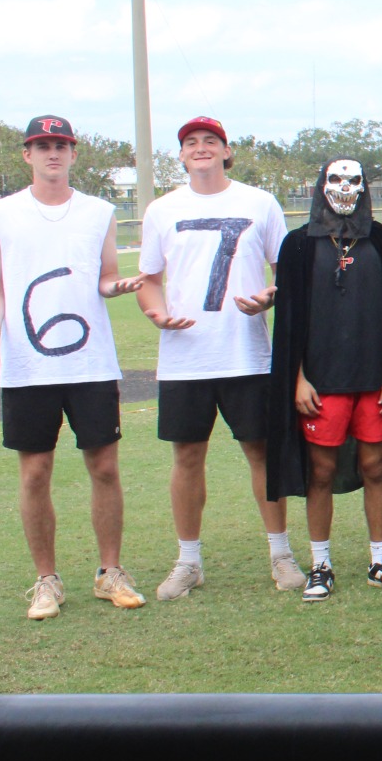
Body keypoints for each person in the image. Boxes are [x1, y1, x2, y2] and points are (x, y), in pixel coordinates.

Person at [0, 115, 145, 620]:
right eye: (42, 146)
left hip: (90, 363)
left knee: (104, 467)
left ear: (73, 153)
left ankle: (110, 572)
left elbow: (105, 277)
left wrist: (117, 287)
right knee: (35, 472)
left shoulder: (99, 212)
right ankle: (46, 580)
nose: (52, 153)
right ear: (28, 155)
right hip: (28, 367)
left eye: (61, 145)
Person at [135, 116, 293, 599]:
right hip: (186, 357)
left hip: (246, 354)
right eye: (190, 142)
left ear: (227, 151)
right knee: (186, 456)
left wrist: (268, 298)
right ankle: (188, 561)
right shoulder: (162, 209)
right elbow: (149, 280)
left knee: (261, 452)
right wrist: (155, 313)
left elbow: (285, 271)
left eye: (210, 141)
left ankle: (281, 553)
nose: (200, 147)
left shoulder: (259, 202)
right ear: (181, 155)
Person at [266, 157, 382, 600]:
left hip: (375, 379)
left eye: (354, 180)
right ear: (322, 186)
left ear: (365, 187)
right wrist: (298, 378)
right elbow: (289, 319)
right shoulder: (298, 244)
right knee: (321, 472)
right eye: (336, 179)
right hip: (321, 381)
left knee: (374, 467)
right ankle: (321, 565)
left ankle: (380, 560)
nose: (345, 187)